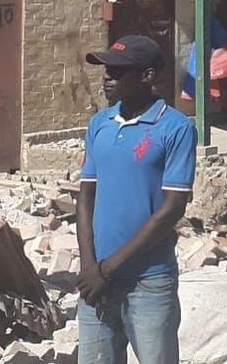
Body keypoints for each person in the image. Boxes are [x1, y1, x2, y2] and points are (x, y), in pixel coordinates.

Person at [77, 35, 198, 364]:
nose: (107, 79)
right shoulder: (99, 124)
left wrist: (109, 268)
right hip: (96, 280)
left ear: (147, 76)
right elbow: (86, 196)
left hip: (149, 280)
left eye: (117, 72)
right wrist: (90, 266)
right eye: (105, 71)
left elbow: (172, 208)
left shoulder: (175, 128)